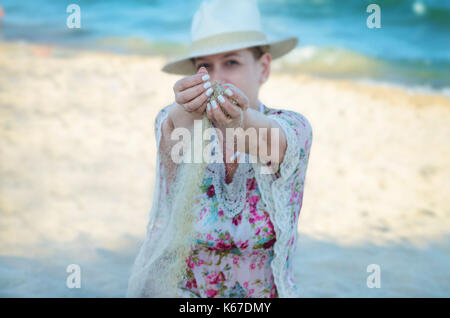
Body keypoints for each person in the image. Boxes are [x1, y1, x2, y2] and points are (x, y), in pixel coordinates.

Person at [126, 0, 313, 298]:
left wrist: (239, 121)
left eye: (232, 62)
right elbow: (174, 129)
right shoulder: (173, 121)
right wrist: (184, 107)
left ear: (263, 68)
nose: (217, 79)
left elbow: (269, 141)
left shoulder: (293, 128)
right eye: (205, 67)